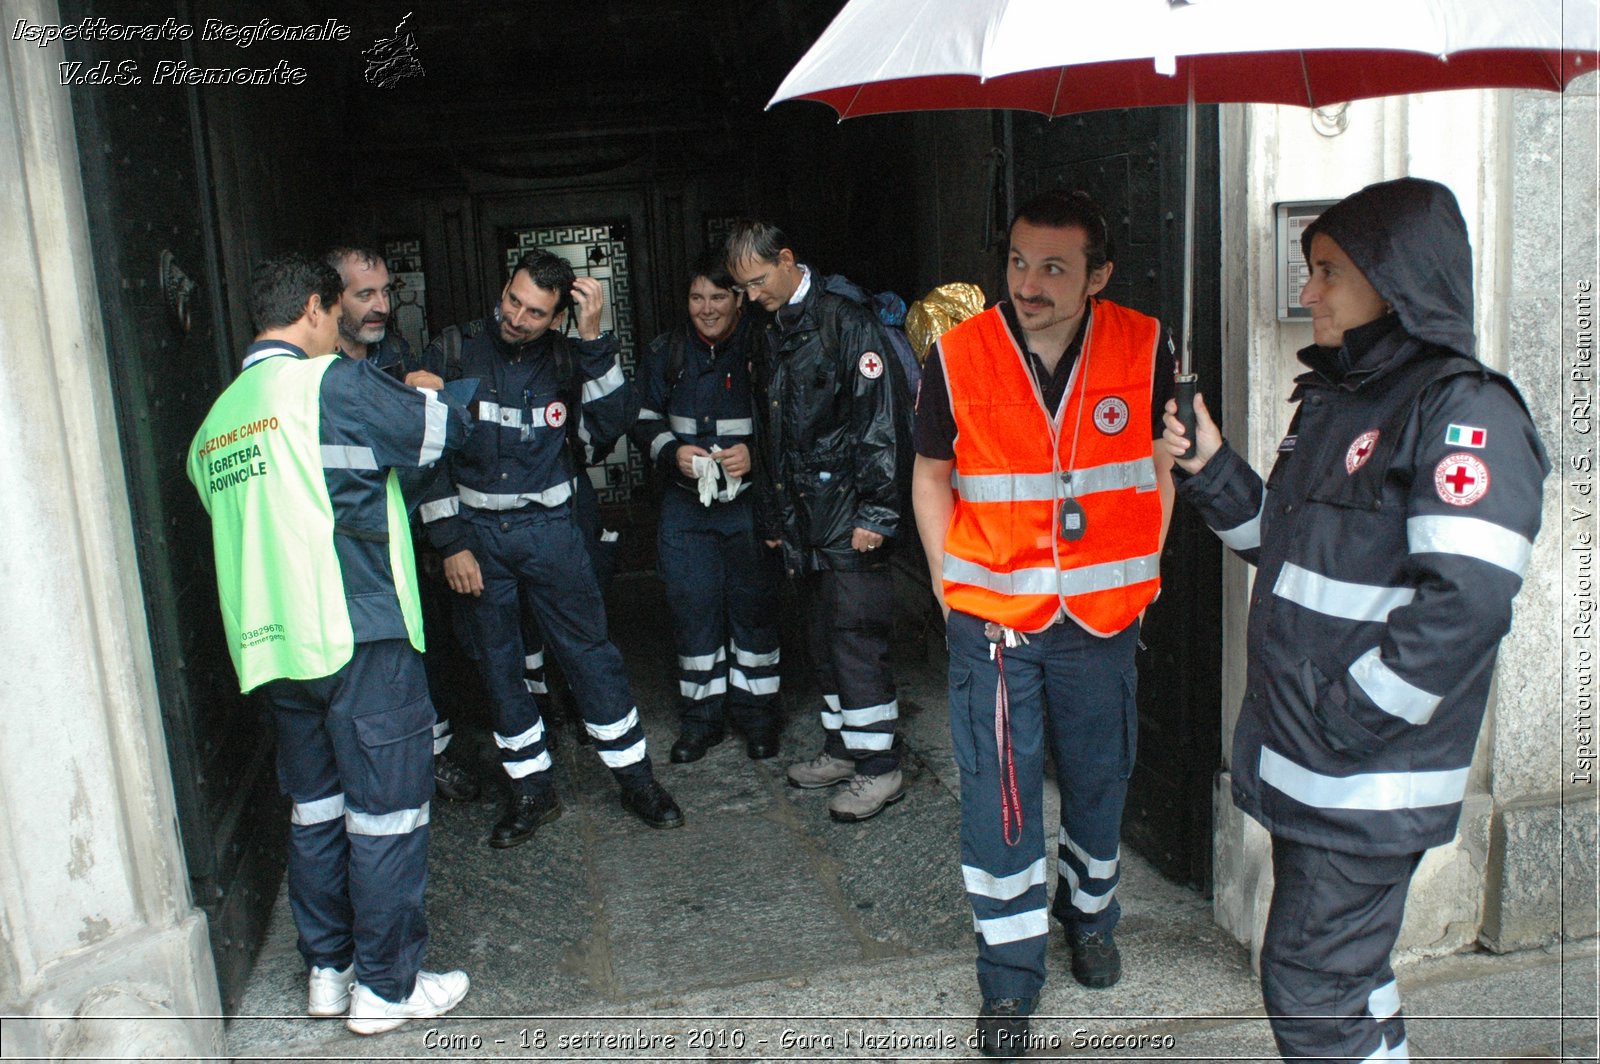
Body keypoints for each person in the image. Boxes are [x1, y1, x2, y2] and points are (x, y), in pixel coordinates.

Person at [1161, 177, 1548, 1063]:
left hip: (1363, 775)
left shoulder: (1462, 411)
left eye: (1329, 271)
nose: (1308, 293)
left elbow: (1468, 603)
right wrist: (1211, 460)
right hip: (1318, 764)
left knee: (1309, 980)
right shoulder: (1343, 399)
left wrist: (1348, 717)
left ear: (1396, 277)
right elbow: (1289, 547)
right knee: (1344, 977)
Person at [910, 190, 1177, 1054]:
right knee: (1002, 800)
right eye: (1019, 261)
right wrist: (949, 587)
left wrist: (1147, 562)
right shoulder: (957, 354)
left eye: (1055, 267)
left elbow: (1162, 466)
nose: (1028, 282)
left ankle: (1090, 918)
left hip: (1101, 620)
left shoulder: (1147, 346)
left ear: (1098, 274)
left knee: (1102, 781)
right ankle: (1009, 977)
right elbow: (930, 473)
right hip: (994, 622)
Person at [185, 253, 473, 1035]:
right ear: (314, 307)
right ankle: (387, 987)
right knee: (387, 815)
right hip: (358, 633)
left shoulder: (216, 422)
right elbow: (436, 434)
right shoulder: (330, 385)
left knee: (315, 812)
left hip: (275, 648)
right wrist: (428, 391)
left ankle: (328, 970)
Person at [419, 250, 684, 847]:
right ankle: (531, 790)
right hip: (480, 541)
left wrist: (594, 342)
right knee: (499, 666)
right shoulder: (454, 351)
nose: (516, 317)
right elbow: (426, 456)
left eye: (535, 312)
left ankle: (636, 778)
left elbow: (613, 424)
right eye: (513, 301)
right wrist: (452, 542)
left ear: (558, 317)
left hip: (553, 533)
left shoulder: (569, 357)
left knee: (591, 655)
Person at [725, 220, 912, 822]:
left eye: (757, 282)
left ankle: (880, 768)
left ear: (786, 259)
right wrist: (776, 518)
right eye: (743, 288)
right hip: (801, 517)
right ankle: (842, 748)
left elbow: (878, 423)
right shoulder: (768, 331)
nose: (751, 297)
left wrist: (878, 513)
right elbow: (769, 432)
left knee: (857, 637)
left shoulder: (846, 321)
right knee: (821, 636)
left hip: (848, 513)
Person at [326, 244, 482, 804]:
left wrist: (450, 542)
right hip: (341, 550)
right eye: (364, 294)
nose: (381, 306)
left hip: (403, 542)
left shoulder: (393, 352)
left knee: (422, 652)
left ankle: (432, 755)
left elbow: (430, 456)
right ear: (329, 300)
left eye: (386, 292)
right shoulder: (314, 371)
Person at [630, 250, 782, 763]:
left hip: (747, 509)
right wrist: (673, 453)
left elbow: (793, 421)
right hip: (685, 511)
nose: (707, 308)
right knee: (692, 617)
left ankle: (759, 719)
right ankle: (701, 722)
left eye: (718, 296)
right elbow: (642, 421)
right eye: (698, 297)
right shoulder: (665, 352)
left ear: (740, 299)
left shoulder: (765, 348)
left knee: (755, 615)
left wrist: (756, 455)